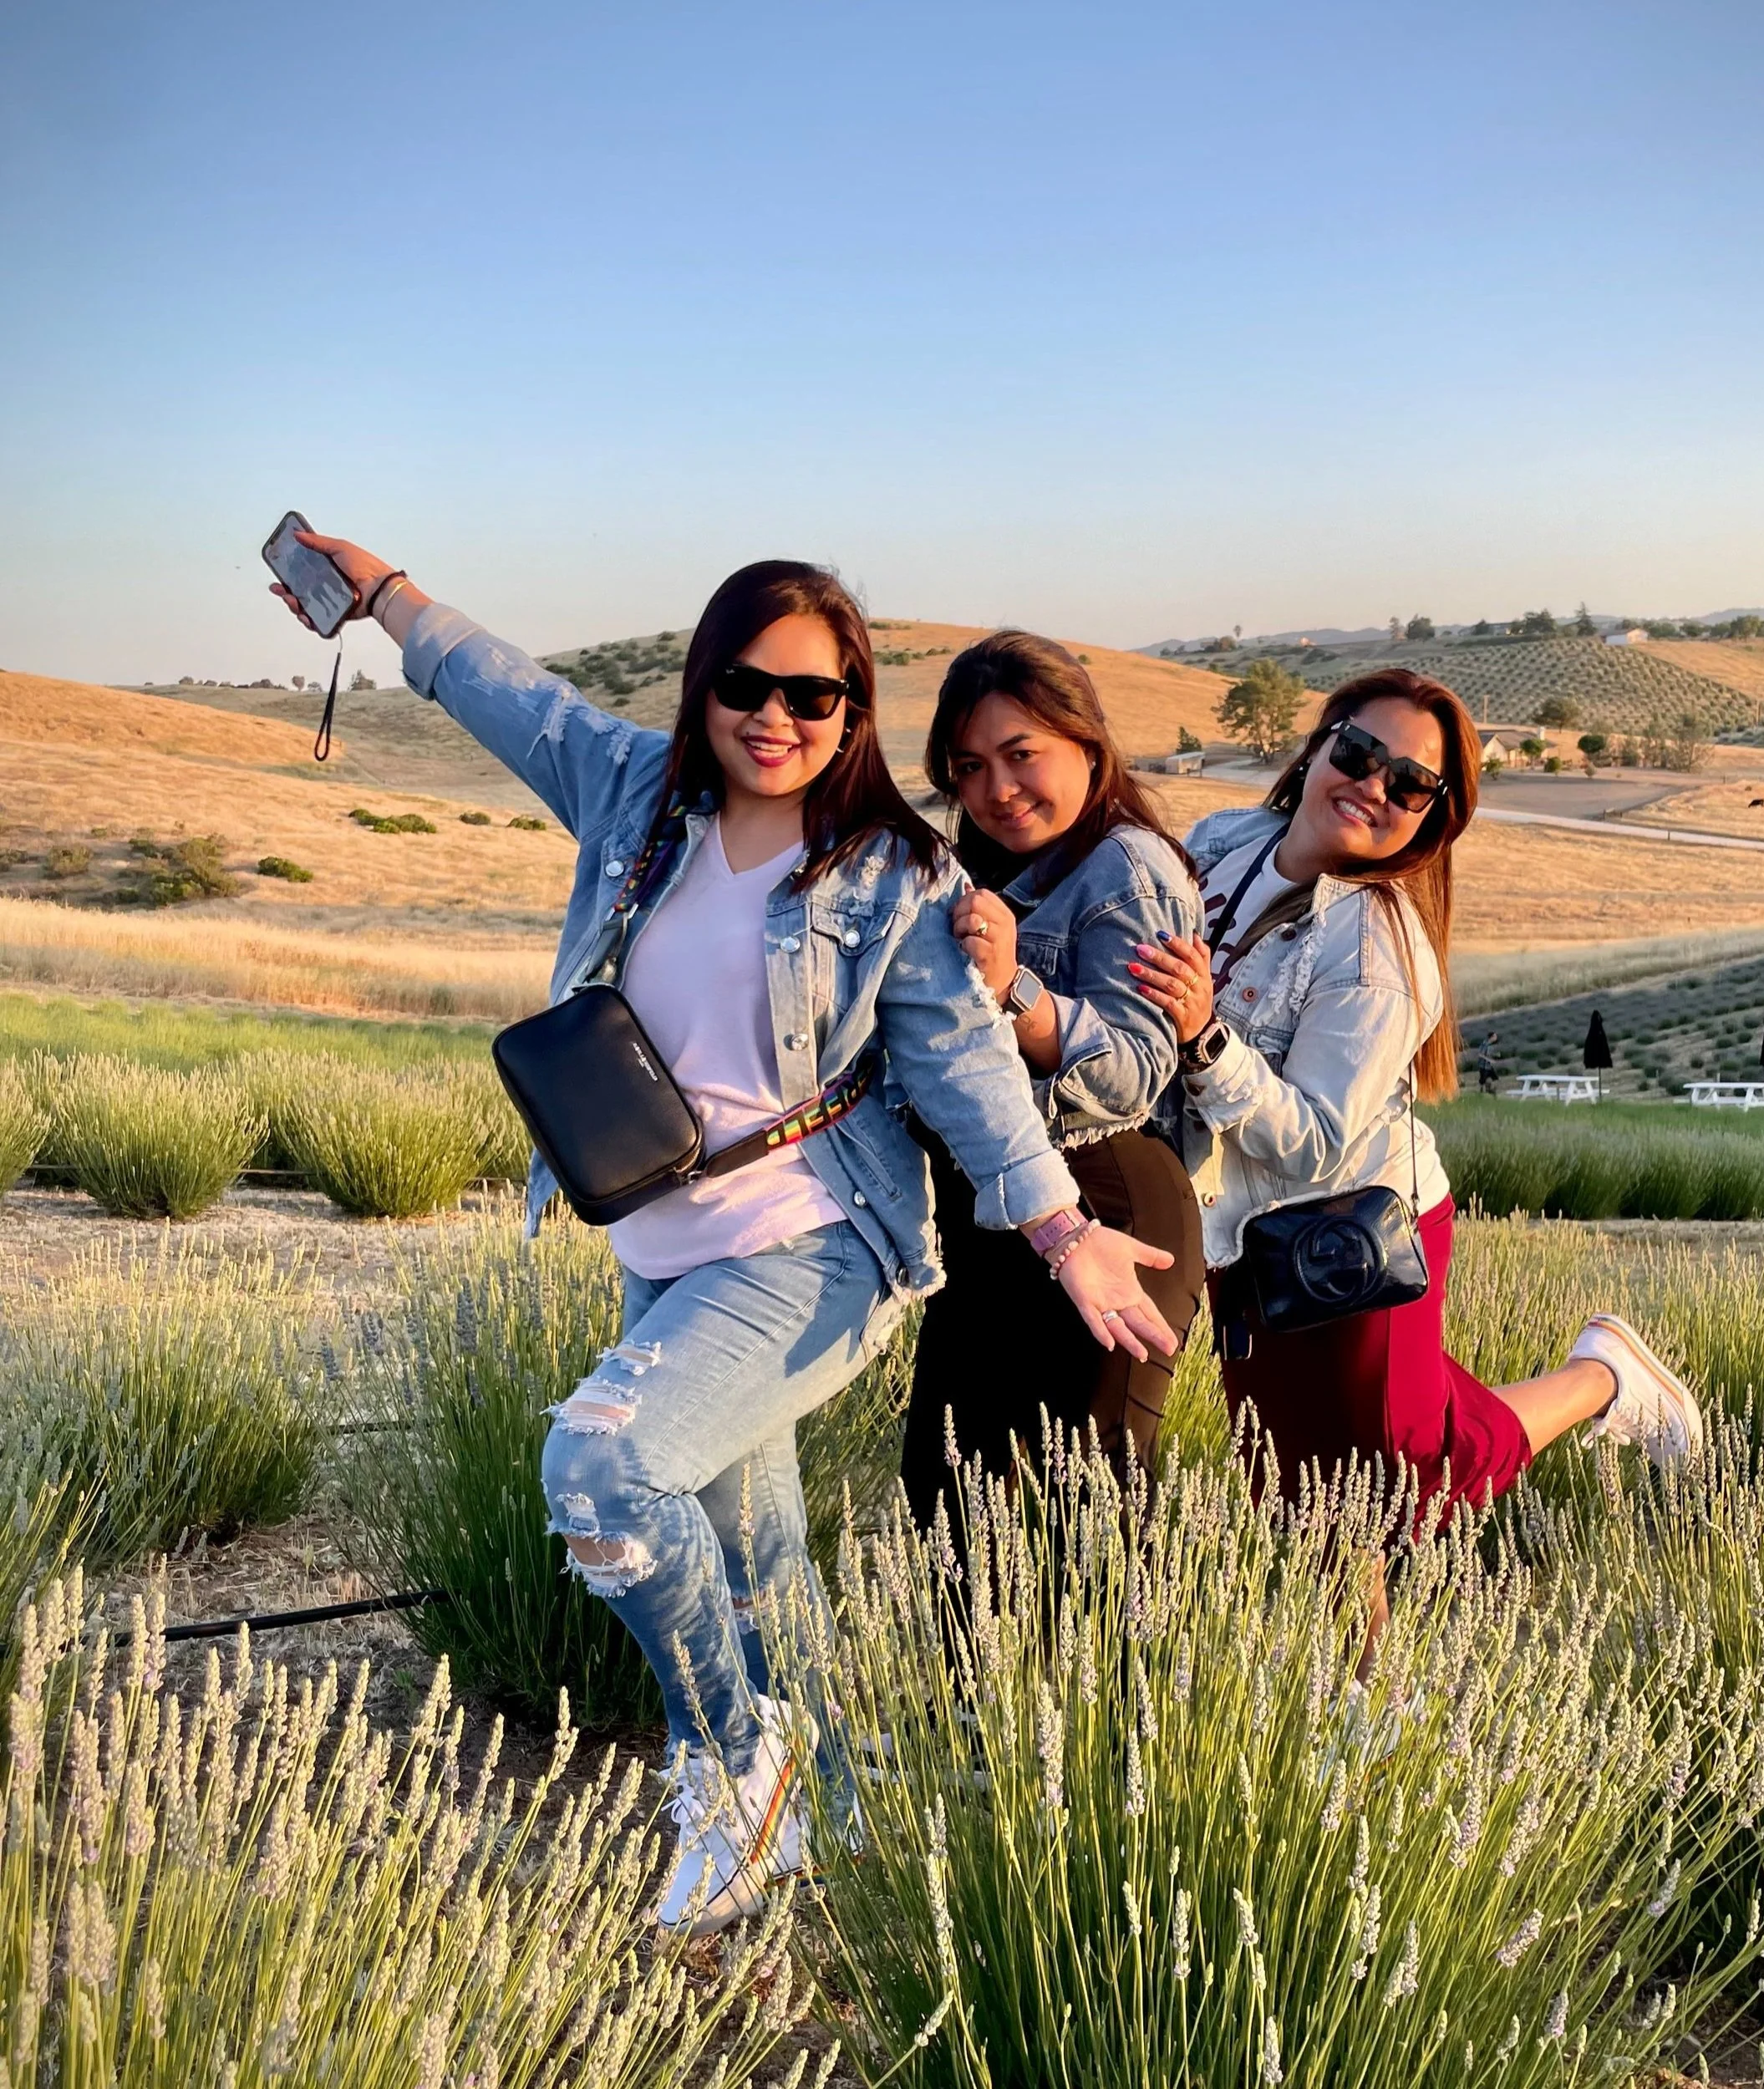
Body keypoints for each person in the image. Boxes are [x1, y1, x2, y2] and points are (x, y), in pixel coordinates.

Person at [272, 535, 1177, 1936]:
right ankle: (840, 1810)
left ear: (854, 715)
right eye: (748, 685)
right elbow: (503, 689)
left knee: (608, 1467)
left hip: (818, 1241)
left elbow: (967, 1070)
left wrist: (1064, 1230)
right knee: (755, 1557)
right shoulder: (637, 793)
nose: (778, 717)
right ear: (705, 689)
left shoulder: (896, 880)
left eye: (815, 699)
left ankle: (735, 1767)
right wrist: (383, 594)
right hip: (662, 1240)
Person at [1130, 668, 1700, 1544]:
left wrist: (1206, 1040)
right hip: (1240, 1236)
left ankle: (1602, 1378)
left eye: (1410, 783)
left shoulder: (1376, 947)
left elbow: (1314, 1141)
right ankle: (1362, 1684)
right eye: (1358, 752)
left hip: (1349, 1234)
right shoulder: (1222, 841)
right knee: (1296, 1488)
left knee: (1398, 1482)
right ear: (1318, 745)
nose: (1372, 784)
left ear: (1433, 814)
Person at [900, 632, 1205, 1532]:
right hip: (999, 1216)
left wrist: (1015, 992)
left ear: (1086, 742)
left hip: (1108, 1195)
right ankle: (969, 1685)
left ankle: (1119, 1683)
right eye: (969, 766)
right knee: (949, 1511)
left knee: (1091, 1521)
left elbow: (1135, 1073)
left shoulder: (1126, 868)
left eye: (1020, 753)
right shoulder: (987, 870)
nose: (997, 788)